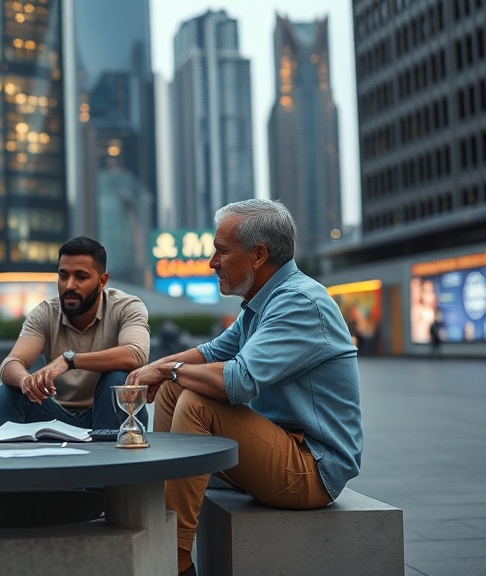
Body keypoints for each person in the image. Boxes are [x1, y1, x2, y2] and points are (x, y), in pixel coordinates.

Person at [125, 199, 363, 576]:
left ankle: (175, 556)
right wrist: (154, 369)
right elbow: (210, 352)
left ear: (258, 255)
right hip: (279, 448)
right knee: (175, 388)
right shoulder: (260, 303)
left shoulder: (299, 303)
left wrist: (169, 369)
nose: (212, 263)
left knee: (195, 401)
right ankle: (162, 508)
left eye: (221, 251)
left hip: (312, 470)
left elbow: (238, 380)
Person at [0, 236, 150, 431]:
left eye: (81, 277)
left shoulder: (126, 307)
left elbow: (135, 354)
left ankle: (112, 459)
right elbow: (11, 363)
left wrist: (69, 361)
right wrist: (26, 381)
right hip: (58, 416)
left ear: (102, 281)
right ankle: (2, 458)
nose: (69, 285)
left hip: (108, 413)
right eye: (63, 275)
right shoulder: (45, 312)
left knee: (118, 379)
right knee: (7, 393)